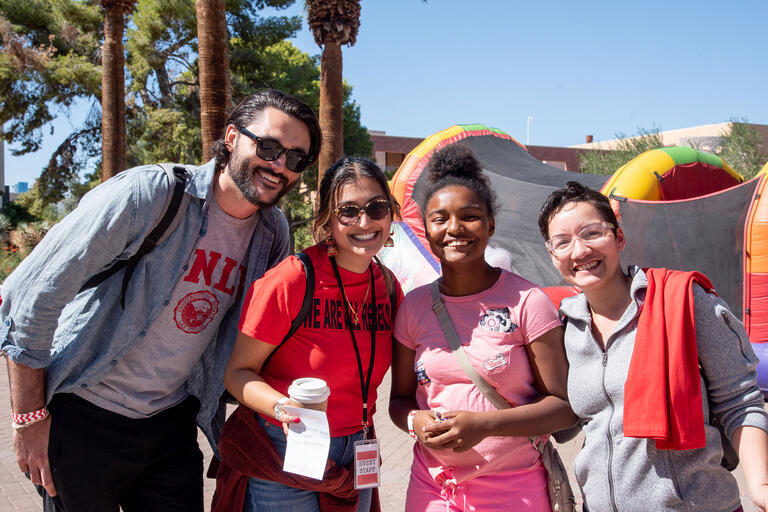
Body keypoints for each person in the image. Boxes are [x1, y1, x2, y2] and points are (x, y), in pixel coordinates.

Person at [0, 89, 321, 511]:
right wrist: (29, 420)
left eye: (295, 159)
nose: (279, 165)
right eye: (268, 147)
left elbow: (267, 332)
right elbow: (31, 297)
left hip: (171, 422)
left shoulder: (272, 233)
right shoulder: (150, 194)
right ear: (230, 137)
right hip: (83, 413)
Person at [537, 180, 768, 512]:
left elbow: (740, 402)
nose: (580, 250)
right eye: (563, 242)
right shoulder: (564, 326)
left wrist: (760, 485)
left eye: (591, 233)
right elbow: (567, 419)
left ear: (618, 237)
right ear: (552, 254)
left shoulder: (681, 301)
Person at [389, 144, 577, 512]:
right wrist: (415, 421)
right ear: (426, 230)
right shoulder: (413, 307)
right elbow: (399, 401)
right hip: (433, 490)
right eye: (439, 219)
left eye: (470, 216)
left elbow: (563, 408)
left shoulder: (528, 301)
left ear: (490, 225)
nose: (454, 228)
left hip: (515, 491)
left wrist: (485, 425)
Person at [214, 156, 403, 512]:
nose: (365, 221)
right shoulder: (292, 279)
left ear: (391, 213)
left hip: (356, 447)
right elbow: (237, 374)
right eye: (348, 211)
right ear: (328, 220)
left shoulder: (390, 289)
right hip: (285, 445)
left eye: (377, 207)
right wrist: (282, 406)